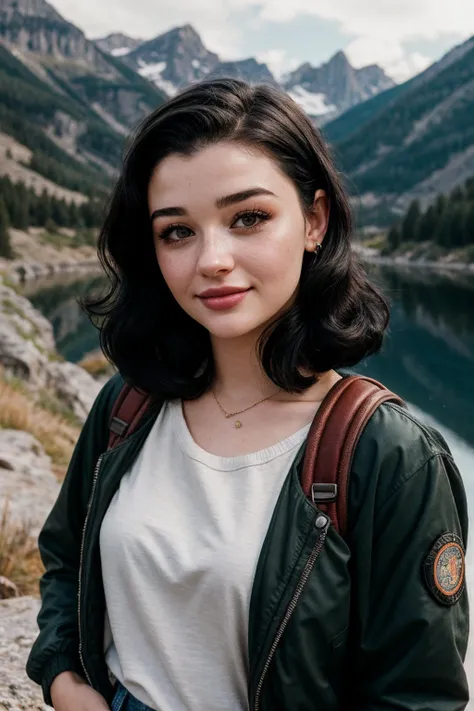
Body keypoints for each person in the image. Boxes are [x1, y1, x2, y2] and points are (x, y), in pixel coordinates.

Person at [26, 78, 469, 711]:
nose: (213, 258)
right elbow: (66, 561)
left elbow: (416, 698)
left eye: (249, 218)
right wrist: (66, 682)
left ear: (314, 220)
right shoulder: (129, 405)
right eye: (176, 231)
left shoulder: (389, 454)